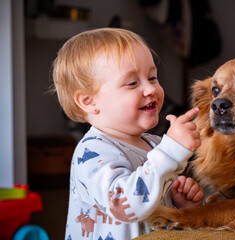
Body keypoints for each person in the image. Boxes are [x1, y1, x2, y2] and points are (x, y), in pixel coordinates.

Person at [52, 28, 204, 240]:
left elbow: (155, 211)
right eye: (132, 83)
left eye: (152, 77)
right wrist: (171, 152)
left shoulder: (156, 145)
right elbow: (127, 206)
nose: (150, 89)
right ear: (89, 102)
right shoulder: (92, 152)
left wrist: (183, 206)